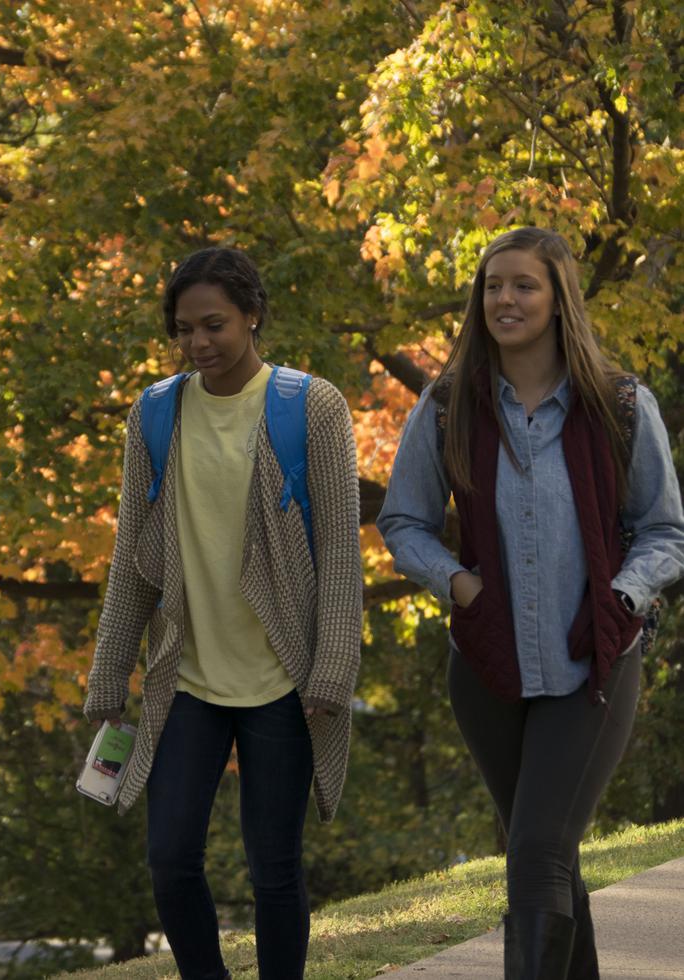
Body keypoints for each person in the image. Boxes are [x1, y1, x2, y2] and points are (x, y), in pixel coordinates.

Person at [377, 227, 684, 979]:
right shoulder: (448, 406)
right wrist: (459, 584)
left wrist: (621, 596)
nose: (504, 299)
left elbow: (666, 531)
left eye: (523, 285)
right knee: (542, 852)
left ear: (558, 300)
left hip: (594, 664)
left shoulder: (618, 404)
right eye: (492, 286)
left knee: (538, 850)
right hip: (484, 664)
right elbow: (403, 521)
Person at [84, 246, 362, 980]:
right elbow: (130, 557)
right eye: (184, 329)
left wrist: (332, 669)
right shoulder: (154, 414)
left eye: (214, 324)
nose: (199, 343)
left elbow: (339, 551)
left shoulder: (312, 407)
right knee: (170, 857)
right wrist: (110, 669)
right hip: (187, 678)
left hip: (283, 678)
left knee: (274, 867)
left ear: (252, 316)